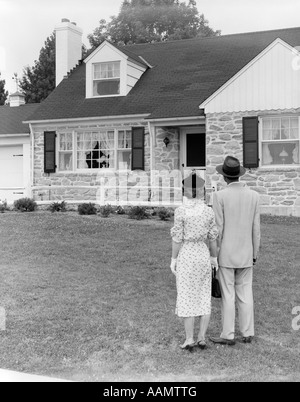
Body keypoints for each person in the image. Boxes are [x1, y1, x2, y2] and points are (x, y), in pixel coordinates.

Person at [211, 156, 261, 346]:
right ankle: (248, 332)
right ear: (239, 175)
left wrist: (214, 254)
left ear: (224, 177)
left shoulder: (219, 196)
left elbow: (218, 229)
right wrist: (255, 253)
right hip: (247, 252)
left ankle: (228, 334)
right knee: (245, 292)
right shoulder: (254, 196)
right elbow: (256, 230)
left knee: (228, 295)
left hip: (226, 254)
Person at [170, 172, 219, 351]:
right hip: (202, 254)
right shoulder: (208, 211)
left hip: (187, 254)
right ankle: (202, 337)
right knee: (203, 295)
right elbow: (213, 238)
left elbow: (177, 238)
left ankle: (189, 338)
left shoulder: (181, 211)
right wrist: (214, 258)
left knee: (186, 295)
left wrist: (173, 260)